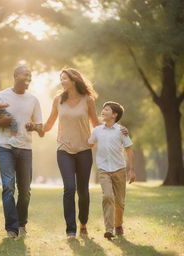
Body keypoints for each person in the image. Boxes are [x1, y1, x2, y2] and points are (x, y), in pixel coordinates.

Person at [33, 68, 128, 238]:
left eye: (65, 78)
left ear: (75, 80)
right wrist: (34, 126)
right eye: (61, 79)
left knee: (83, 190)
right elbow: (48, 125)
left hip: (84, 149)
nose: (62, 81)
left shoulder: (88, 100)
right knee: (69, 188)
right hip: (64, 149)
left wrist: (118, 129)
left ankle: (83, 222)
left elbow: (96, 124)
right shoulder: (58, 100)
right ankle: (70, 229)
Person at [0, 66, 43, 239]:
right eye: (25, 74)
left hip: (25, 147)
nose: (29, 77)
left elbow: (41, 127)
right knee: (8, 186)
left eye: (30, 75)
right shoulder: (0, 96)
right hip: (4, 146)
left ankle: (21, 223)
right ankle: (11, 228)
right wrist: (2, 123)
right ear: (15, 76)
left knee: (25, 190)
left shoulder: (33, 99)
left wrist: (34, 126)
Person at [88, 101, 135, 240]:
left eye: (106, 110)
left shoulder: (121, 130)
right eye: (103, 109)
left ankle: (118, 224)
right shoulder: (97, 130)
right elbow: (89, 143)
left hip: (119, 169)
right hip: (103, 170)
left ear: (114, 115)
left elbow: (129, 149)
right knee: (107, 197)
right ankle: (109, 229)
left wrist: (131, 170)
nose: (103, 111)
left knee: (120, 201)